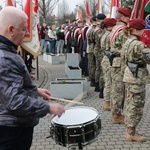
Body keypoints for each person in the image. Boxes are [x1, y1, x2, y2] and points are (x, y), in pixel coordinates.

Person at [0, 6, 65, 150]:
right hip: (12, 131)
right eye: (23, 29)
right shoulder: (5, 58)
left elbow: (6, 89)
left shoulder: (6, 52)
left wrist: (35, 90)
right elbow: (15, 102)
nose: (27, 33)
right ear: (11, 30)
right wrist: (48, 107)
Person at [123, 19, 149, 142]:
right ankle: (131, 133)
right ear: (137, 30)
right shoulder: (138, 45)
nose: (144, 31)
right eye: (142, 29)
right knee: (136, 106)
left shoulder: (127, 42)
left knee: (131, 104)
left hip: (129, 75)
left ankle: (131, 130)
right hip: (137, 78)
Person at [110, 7, 131, 124]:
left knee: (116, 88)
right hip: (120, 62)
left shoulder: (115, 28)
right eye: (128, 16)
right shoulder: (123, 30)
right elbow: (126, 48)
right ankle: (117, 115)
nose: (129, 19)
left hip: (115, 62)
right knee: (119, 90)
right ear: (123, 17)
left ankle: (116, 112)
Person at [100, 18, 116, 110]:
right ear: (110, 26)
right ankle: (107, 103)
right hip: (109, 60)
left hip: (105, 59)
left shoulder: (104, 34)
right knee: (109, 82)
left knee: (107, 81)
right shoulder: (110, 35)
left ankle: (107, 102)